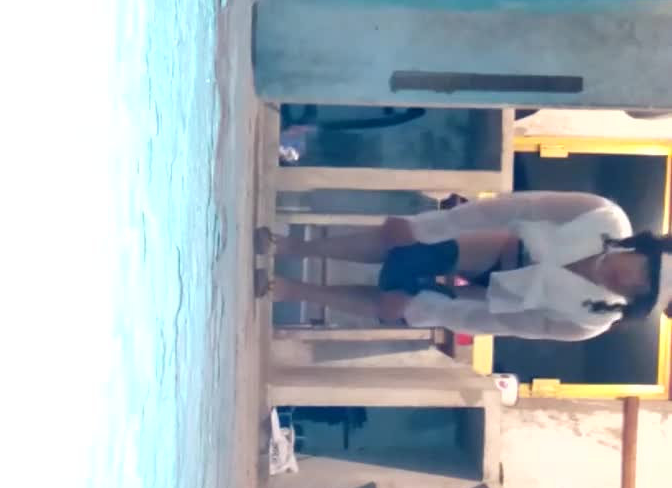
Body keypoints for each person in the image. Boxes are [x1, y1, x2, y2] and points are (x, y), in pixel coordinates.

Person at [255, 191, 672, 341]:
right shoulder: (603, 217)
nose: (629, 280)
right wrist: (427, 227)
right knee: (410, 248)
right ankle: (294, 246)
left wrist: (423, 310)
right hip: (499, 244)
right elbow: (515, 207)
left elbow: (504, 322)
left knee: (398, 300)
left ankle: (293, 290)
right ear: (646, 251)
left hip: (496, 299)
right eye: (644, 270)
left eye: (639, 292)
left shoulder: (590, 321)